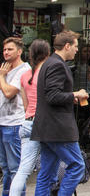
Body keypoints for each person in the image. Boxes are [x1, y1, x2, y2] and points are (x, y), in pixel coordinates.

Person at [31, 31, 87, 196]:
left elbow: (52, 95)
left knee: (47, 173)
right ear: (67, 46)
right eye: (76, 46)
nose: (77, 50)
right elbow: (52, 96)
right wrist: (75, 94)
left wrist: (70, 98)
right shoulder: (57, 64)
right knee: (77, 166)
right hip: (58, 129)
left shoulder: (48, 63)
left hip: (47, 128)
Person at [9, 39, 49, 196]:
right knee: (48, 166)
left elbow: (25, 106)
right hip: (44, 123)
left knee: (22, 170)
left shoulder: (25, 75)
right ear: (46, 54)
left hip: (27, 122)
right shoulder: (46, 74)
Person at [0, 37, 31, 195]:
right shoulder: (6, 69)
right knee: (5, 168)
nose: (6, 52)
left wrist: (1, 76)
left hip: (14, 124)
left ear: (19, 52)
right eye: (4, 49)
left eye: (10, 49)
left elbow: (8, 92)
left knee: (15, 169)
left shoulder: (24, 70)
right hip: (3, 123)